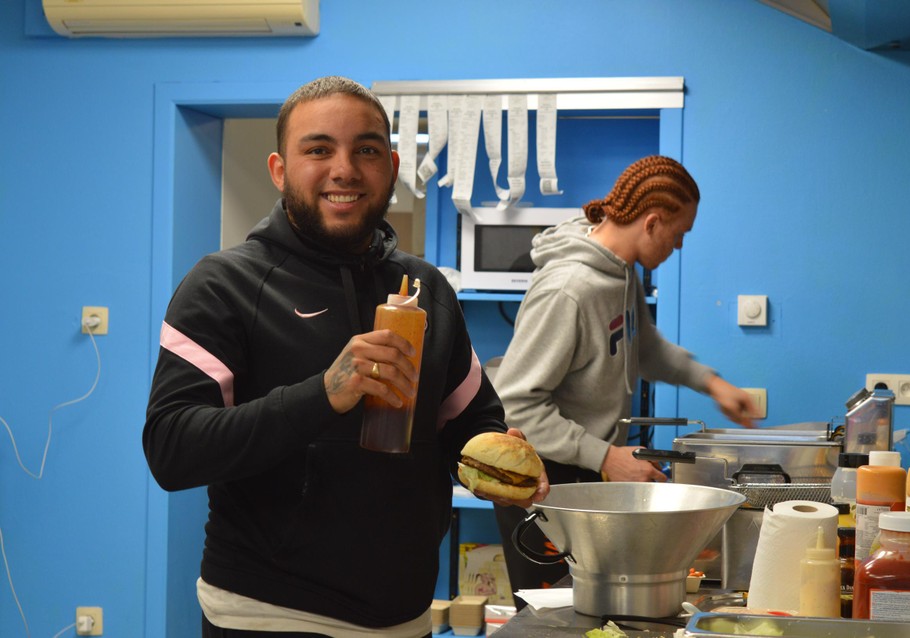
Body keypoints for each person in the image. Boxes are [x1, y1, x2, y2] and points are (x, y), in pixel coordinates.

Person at [142, 75, 548, 638]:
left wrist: (494, 459)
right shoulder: (223, 284)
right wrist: (323, 394)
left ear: (392, 164)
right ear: (280, 170)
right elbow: (172, 449)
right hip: (268, 616)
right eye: (318, 149)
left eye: (366, 149)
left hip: (405, 616)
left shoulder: (426, 288)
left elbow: (468, 421)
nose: (345, 169)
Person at [491, 155, 759, 607]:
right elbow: (515, 405)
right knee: (552, 620)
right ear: (652, 222)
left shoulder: (621, 272)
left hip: (583, 468)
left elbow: (645, 348)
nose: (677, 248)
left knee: (599, 612)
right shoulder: (569, 289)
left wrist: (712, 384)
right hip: (541, 478)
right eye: (678, 236)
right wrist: (606, 457)